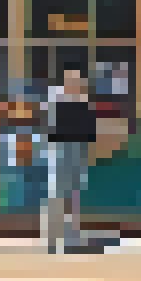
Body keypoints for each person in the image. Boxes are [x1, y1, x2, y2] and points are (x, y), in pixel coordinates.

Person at [42, 68, 97, 254]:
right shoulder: (56, 100)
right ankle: (52, 239)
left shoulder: (83, 102)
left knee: (74, 197)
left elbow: (90, 132)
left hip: (77, 152)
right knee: (58, 196)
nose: (75, 84)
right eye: (71, 80)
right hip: (61, 151)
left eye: (77, 81)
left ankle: (72, 238)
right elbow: (51, 129)